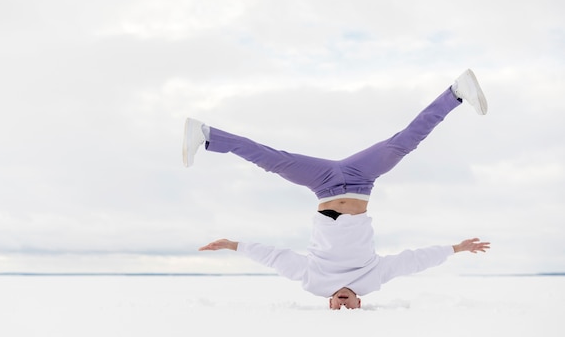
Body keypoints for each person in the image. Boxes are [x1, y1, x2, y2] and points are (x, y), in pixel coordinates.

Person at [184, 69, 491, 310]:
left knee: (272, 160)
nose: (343, 306)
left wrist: (234, 244)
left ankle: (206, 134)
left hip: (324, 185)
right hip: (361, 179)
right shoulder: (372, 281)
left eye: (336, 308)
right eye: (351, 309)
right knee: (403, 143)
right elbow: (411, 260)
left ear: (328, 303)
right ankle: (456, 92)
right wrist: (456, 249)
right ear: (361, 303)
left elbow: (275, 257)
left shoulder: (313, 283)